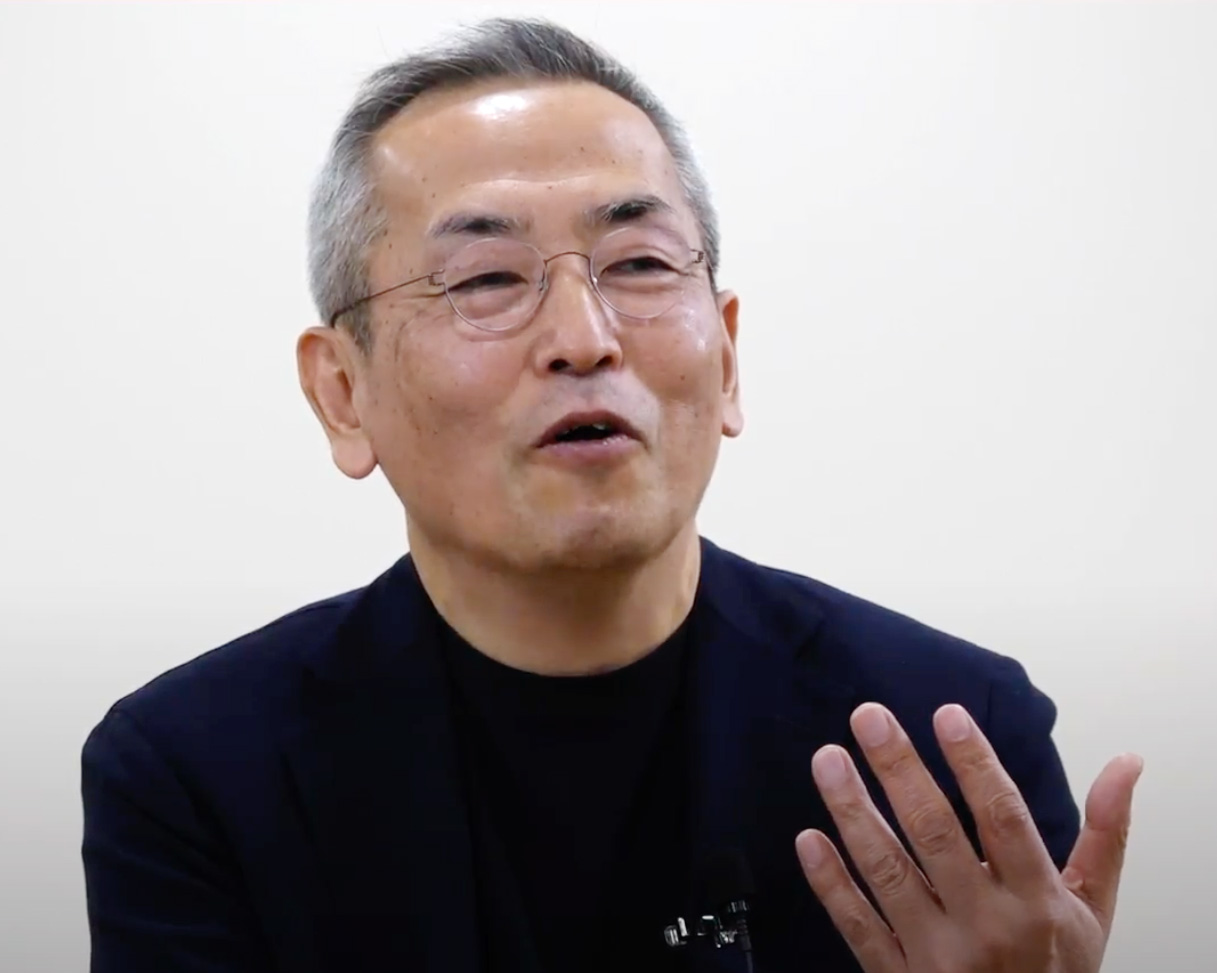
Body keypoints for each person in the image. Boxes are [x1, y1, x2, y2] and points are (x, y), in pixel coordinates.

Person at [80, 17, 1142, 973]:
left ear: (727, 355)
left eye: (638, 264)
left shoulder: (946, 743)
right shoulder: (197, 776)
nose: (584, 338)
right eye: (486, 279)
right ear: (342, 394)